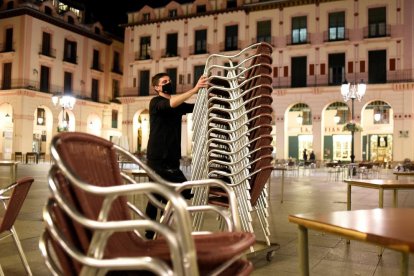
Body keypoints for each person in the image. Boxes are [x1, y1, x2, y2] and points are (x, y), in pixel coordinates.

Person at [145, 72, 208, 238]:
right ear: (157, 87)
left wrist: (208, 96)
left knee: (161, 196)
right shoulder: (156, 102)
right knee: (173, 192)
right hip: (157, 158)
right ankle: (155, 231)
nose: (168, 83)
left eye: (169, 80)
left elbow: (194, 107)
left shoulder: (176, 104)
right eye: (164, 82)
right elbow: (170, 104)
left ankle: (155, 232)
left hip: (172, 158)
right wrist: (195, 89)